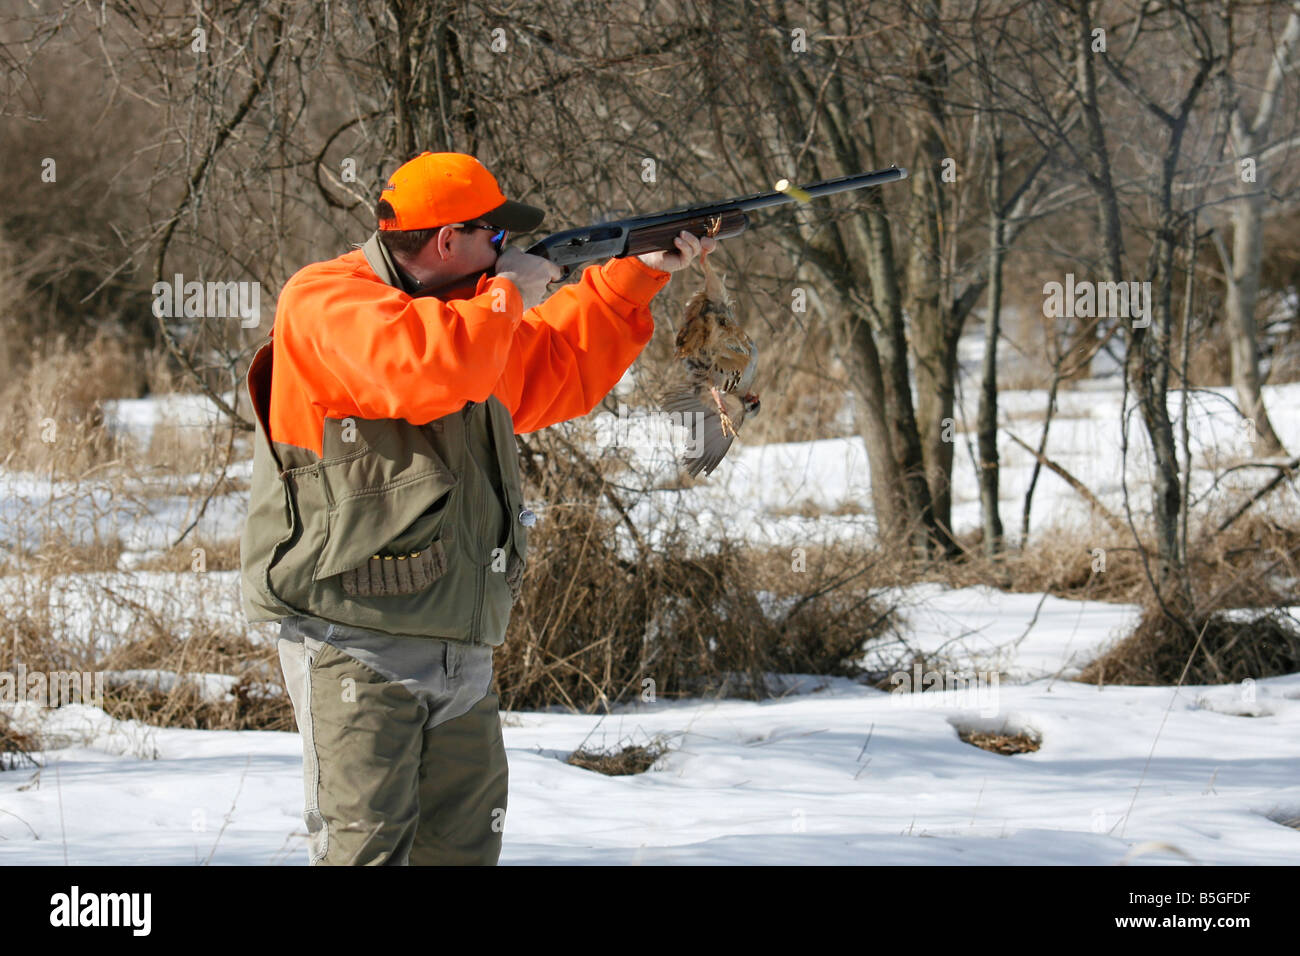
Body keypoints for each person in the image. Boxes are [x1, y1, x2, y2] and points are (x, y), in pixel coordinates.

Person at [239, 151, 713, 865]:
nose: (507, 252)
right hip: (354, 642)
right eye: (494, 237)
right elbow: (430, 369)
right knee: (364, 853)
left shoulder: (467, 315)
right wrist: (506, 296)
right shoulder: (326, 300)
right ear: (447, 242)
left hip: (461, 644)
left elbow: (558, 369)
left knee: (461, 854)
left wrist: (639, 271)